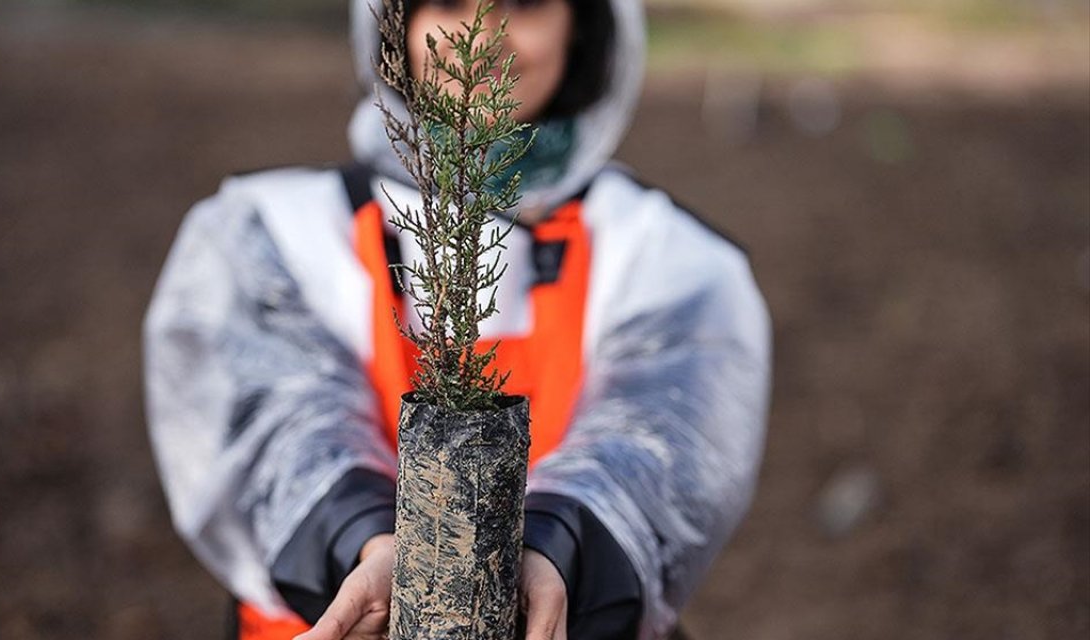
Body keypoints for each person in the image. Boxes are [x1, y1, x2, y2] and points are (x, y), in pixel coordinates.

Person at [143, 0, 771, 638]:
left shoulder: (666, 257)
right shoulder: (275, 232)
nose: (481, 35)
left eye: (523, 5)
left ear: (583, 28)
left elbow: (658, 451)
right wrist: (368, 544)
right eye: (446, 1)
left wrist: (557, 554)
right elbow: (273, 436)